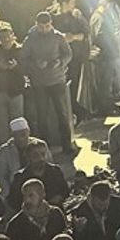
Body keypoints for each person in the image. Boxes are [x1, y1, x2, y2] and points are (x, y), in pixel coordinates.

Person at [21, 11, 74, 155]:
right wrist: (35, 64)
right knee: (41, 116)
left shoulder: (58, 37)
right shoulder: (30, 40)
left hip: (57, 79)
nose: (45, 29)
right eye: (41, 27)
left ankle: (67, 145)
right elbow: (23, 59)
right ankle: (44, 148)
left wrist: (60, 62)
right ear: (36, 25)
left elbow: (68, 54)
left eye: (47, 26)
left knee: (62, 114)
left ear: (51, 24)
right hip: (39, 82)